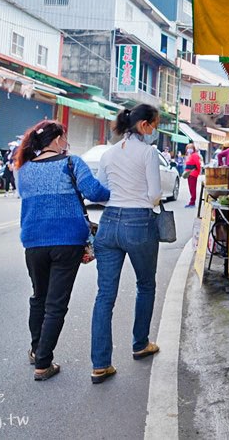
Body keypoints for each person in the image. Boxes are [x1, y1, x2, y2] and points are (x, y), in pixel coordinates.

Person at [16, 120, 110, 381]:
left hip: (34, 242)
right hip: (67, 242)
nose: (67, 143)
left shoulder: (23, 170)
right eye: (65, 138)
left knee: (39, 297)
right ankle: (43, 363)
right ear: (56, 139)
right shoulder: (71, 162)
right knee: (56, 304)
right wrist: (115, 190)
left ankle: (37, 350)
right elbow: (94, 192)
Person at [90, 104, 164, 384]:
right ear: (144, 125)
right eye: (154, 125)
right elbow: (155, 194)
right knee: (145, 284)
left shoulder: (109, 153)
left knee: (104, 296)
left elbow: (100, 193)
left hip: (108, 224)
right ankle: (140, 343)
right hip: (138, 222)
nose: (155, 130)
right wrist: (144, 200)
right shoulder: (148, 153)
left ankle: (100, 364)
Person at [184, 144, 202, 208]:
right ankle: (191, 202)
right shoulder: (190, 155)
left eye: (190, 148)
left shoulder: (194, 155)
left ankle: (192, 202)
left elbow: (198, 164)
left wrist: (198, 172)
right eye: (188, 148)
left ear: (193, 149)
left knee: (192, 188)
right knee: (191, 188)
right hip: (190, 173)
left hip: (193, 173)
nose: (189, 149)